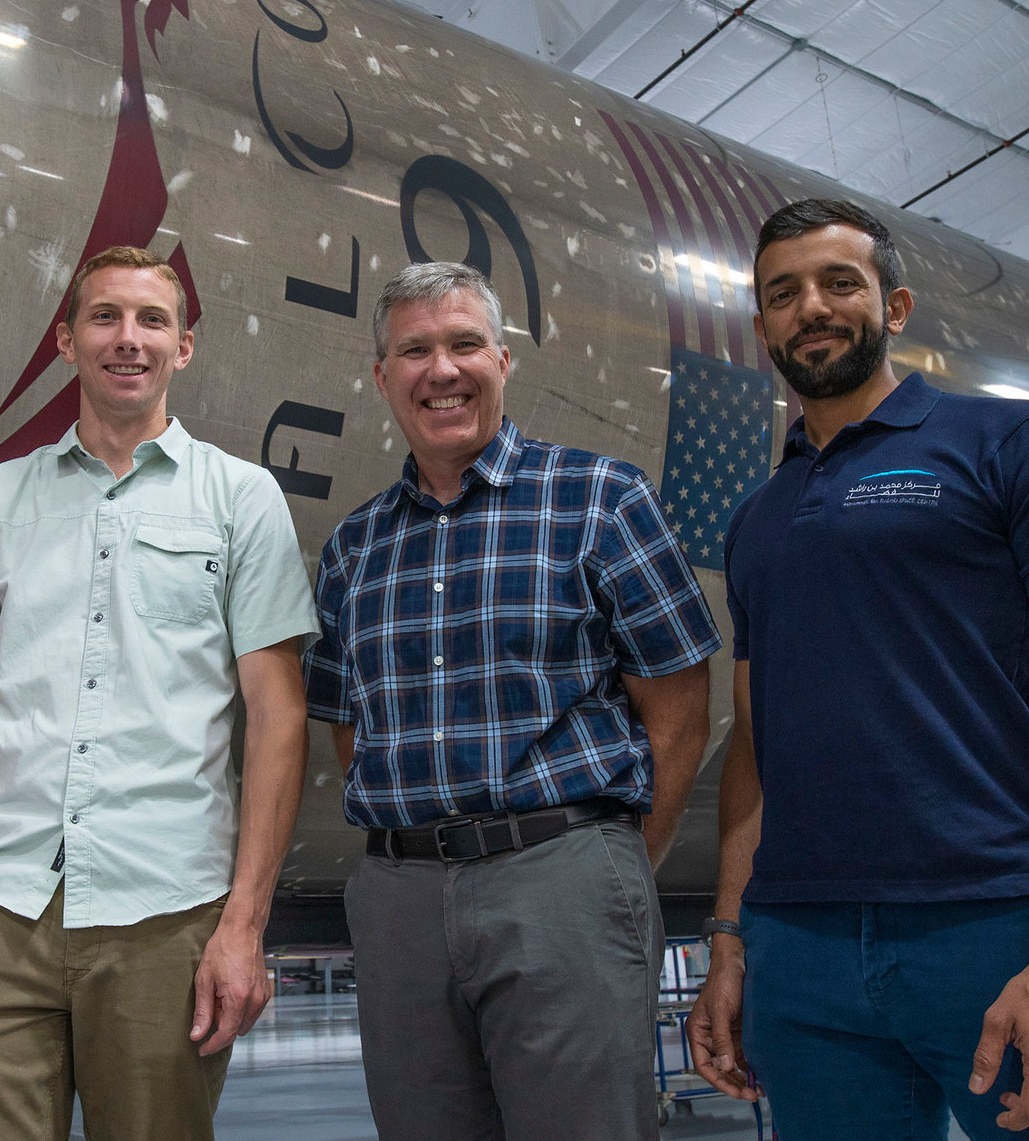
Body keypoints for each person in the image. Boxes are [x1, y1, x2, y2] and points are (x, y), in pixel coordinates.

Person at [686, 198, 1029, 1138]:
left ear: (894, 307)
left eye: (839, 283)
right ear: (762, 327)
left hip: (995, 926)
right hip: (803, 949)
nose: (810, 307)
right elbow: (756, 744)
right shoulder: (755, 520)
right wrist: (732, 938)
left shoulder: (1012, 443)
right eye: (782, 293)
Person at [0, 245, 317, 1141]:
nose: (128, 339)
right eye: (105, 317)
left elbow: (277, 717)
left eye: (152, 320)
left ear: (183, 347)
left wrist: (244, 922)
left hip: (168, 910)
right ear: (65, 341)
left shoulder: (241, 499)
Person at [302, 261, 718, 1140]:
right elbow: (347, 725)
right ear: (383, 377)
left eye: (462, 344)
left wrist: (614, 864)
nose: (440, 370)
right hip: (401, 891)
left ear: (502, 357)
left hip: (559, 873)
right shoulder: (353, 546)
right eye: (414, 350)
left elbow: (679, 707)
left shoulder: (601, 499)